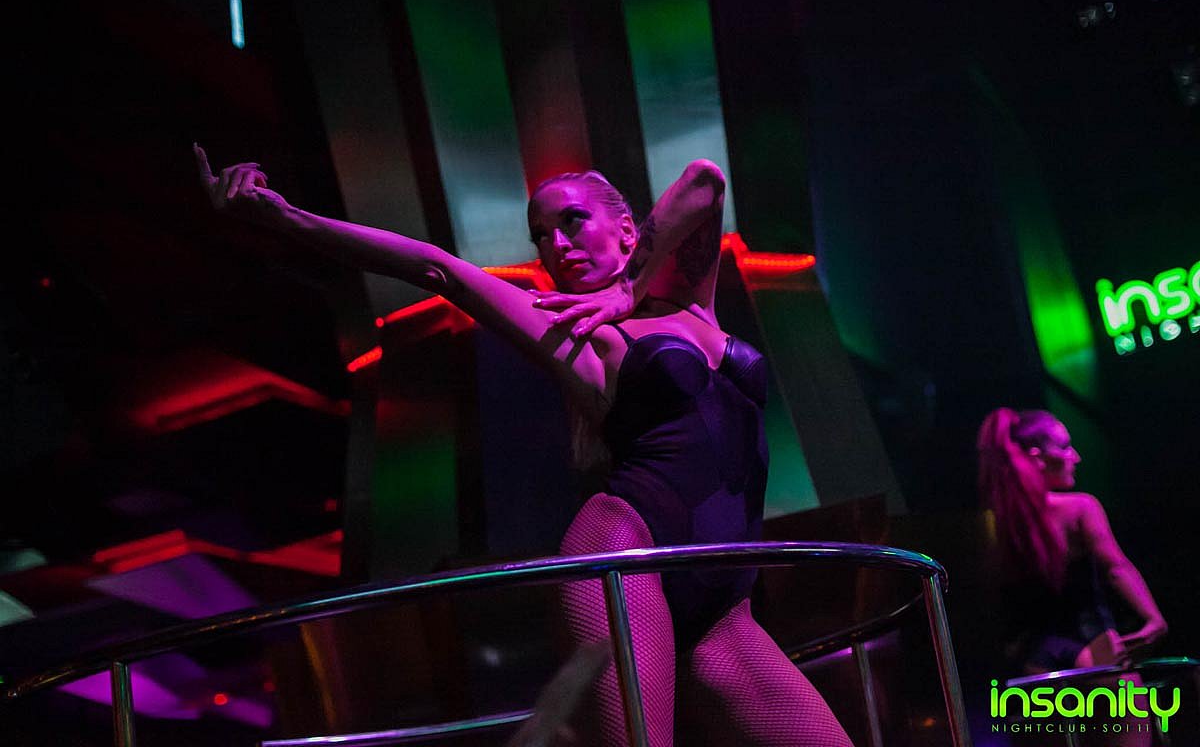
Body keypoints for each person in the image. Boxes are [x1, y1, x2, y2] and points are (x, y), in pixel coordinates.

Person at [195, 146, 853, 746]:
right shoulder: (564, 325)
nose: (556, 245)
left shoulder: (689, 298)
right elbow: (436, 268)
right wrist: (286, 218)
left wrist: (629, 289)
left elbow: (705, 181)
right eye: (541, 235)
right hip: (623, 550)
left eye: (572, 221)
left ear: (628, 229)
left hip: (724, 600)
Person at [976, 408, 1168, 675]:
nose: (1075, 456)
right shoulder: (1079, 508)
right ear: (1038, 457)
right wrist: (1153, 618)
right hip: (1092, 647)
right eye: (1064, 447)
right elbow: (1116, 568)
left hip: (1030, 659)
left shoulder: (994, 525)